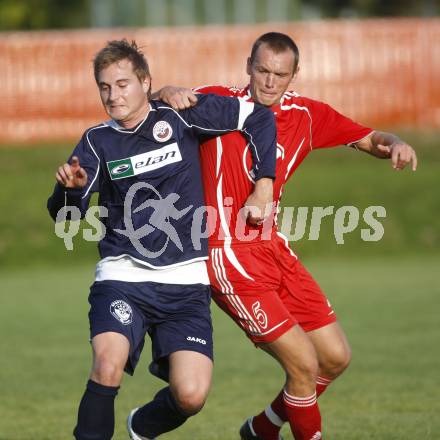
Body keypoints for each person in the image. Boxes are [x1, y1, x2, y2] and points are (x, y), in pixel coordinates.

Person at [156, 32, 417, 440]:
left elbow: (368, 138)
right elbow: (150, 109)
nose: (270, 82)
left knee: (333, 357)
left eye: (280, 74)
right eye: (262, 70)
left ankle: (261, 429)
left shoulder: (305, 115)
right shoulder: (217, 102)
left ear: (295, 75)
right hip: (227, 252)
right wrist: (164, 91)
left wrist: (396, 142)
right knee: (303, 366)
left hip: (272, 247)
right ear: (248, 66)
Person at [47, 39, 277, 440]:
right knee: (107, 363)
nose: (113, 95)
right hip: (123, 277)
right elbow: (67, 215)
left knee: (191, 395)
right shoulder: (97, 142)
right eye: (104, 86)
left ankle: (142, 425)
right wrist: (70, 190)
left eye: (122, 84)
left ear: (145, 83)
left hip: (185, 285)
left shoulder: (179, 114)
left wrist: (264, 185)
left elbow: (257, 117)